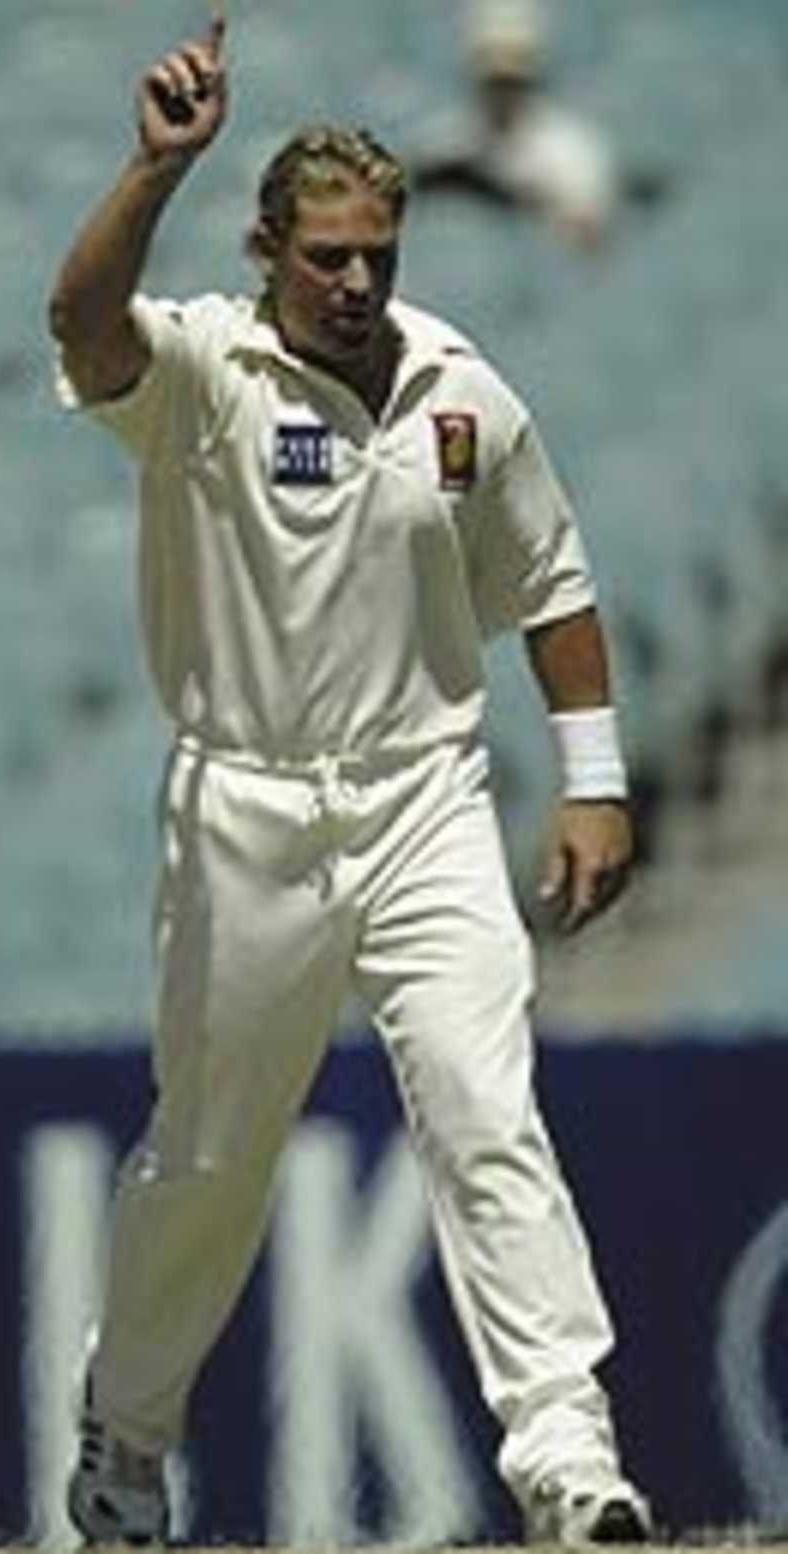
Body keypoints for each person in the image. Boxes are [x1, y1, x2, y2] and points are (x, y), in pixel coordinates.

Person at [48, 13, 653, 1546]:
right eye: (327, 255)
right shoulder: (204, 369)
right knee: (211, 1151)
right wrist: (150, 167)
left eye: (378, 252)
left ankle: (569, 1463)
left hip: (426, 796)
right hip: (244, 807)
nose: (360, 282)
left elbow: (557, 584)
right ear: (268, 249)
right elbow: (78, 325)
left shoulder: (458, 388)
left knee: (482, 1103)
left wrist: (594, 783)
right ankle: (123, 1441)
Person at [411, 0, 619, 252]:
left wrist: (531, 200)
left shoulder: (573, 150)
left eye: (513, 81)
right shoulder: (443, 143)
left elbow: (592, 240)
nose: (503, 93)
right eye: (495, 81)